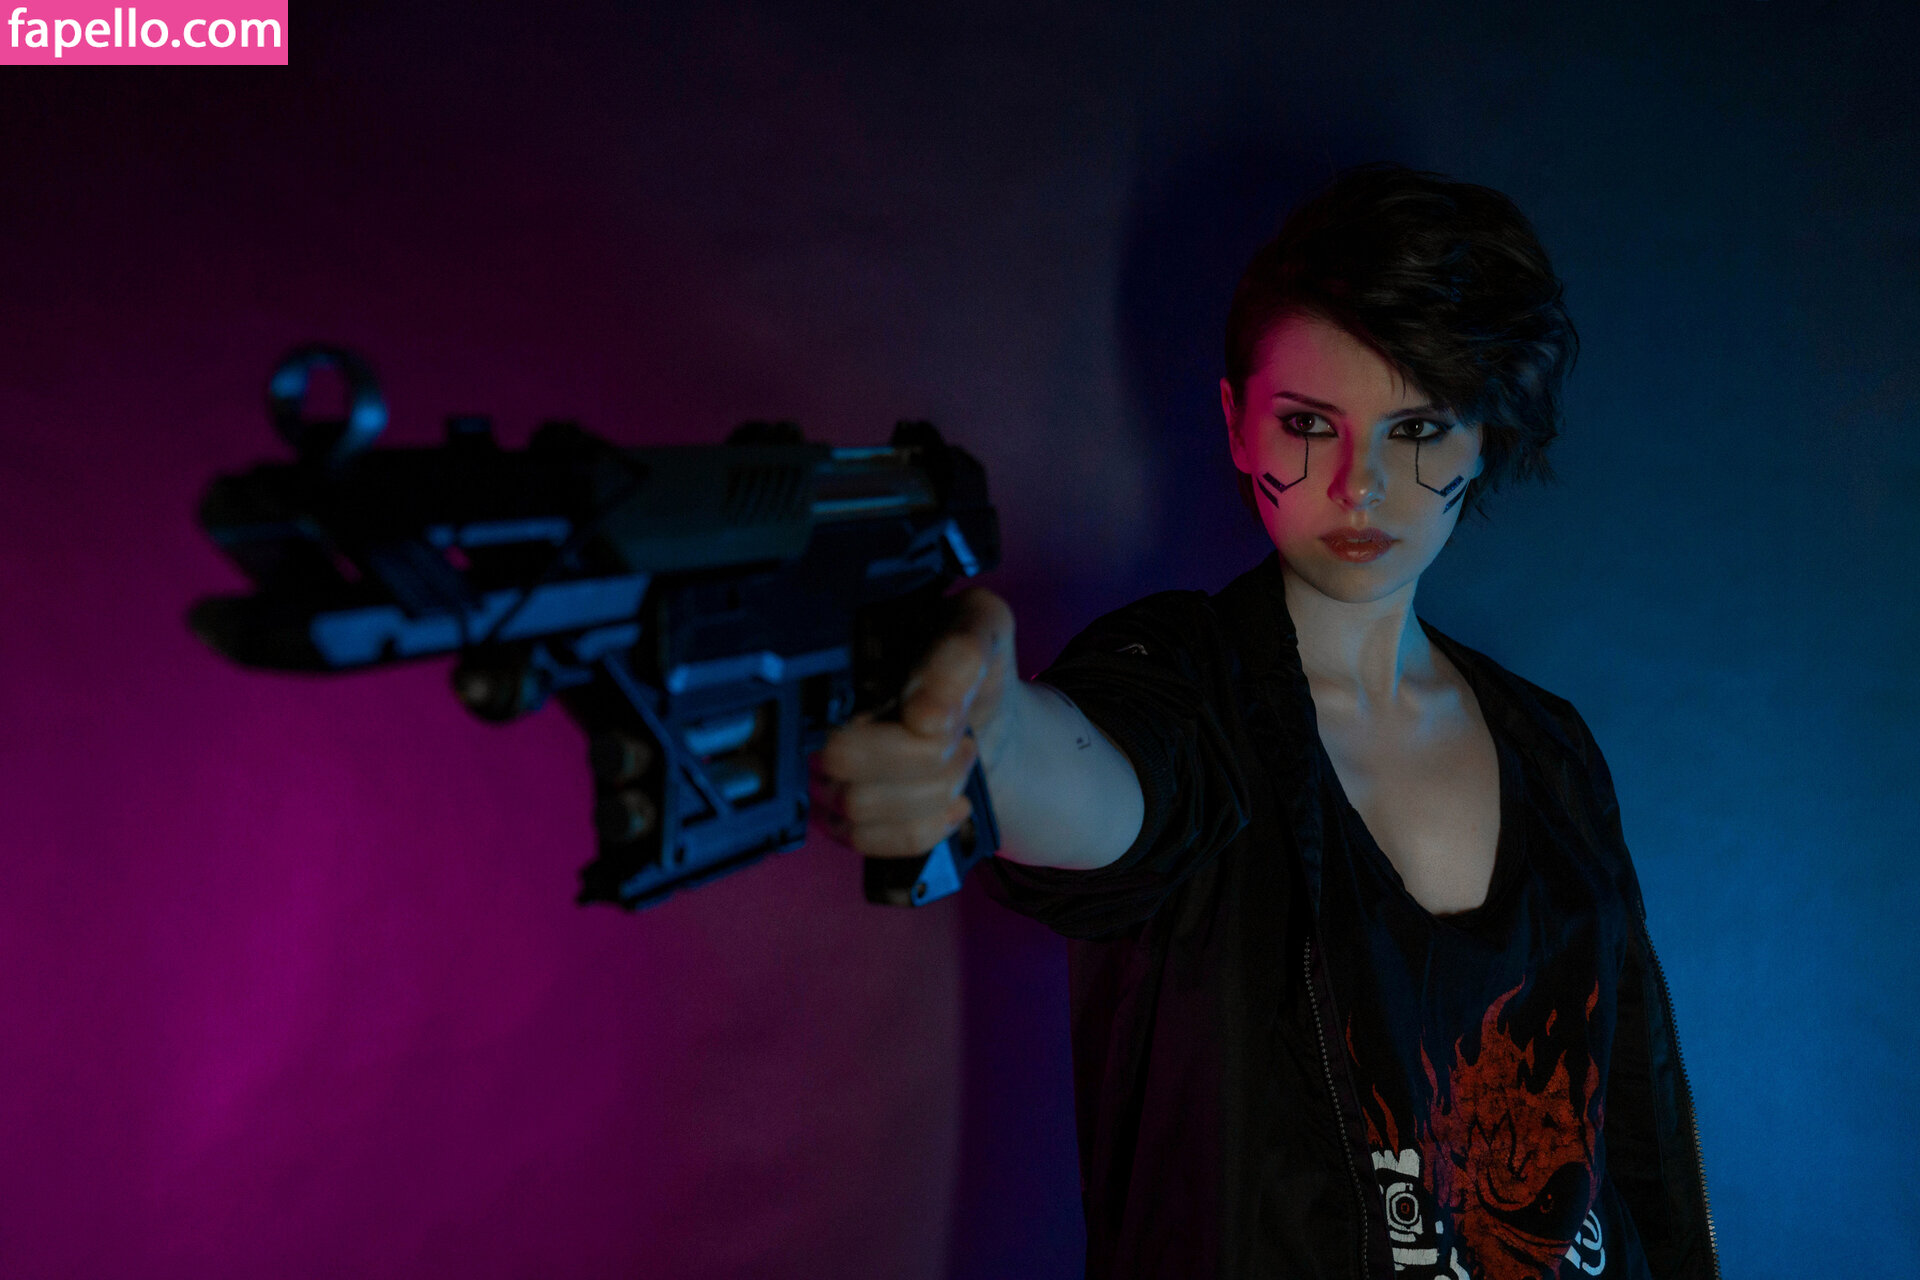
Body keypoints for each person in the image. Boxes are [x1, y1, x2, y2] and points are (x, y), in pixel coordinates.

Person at [812, 162, 1719, 1280]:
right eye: (1307, 423)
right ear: (1236, 424)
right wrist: (988, 749)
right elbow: (1112, 782)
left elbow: (1632, 1130)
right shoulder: (1188, 686)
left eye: (1418, 427)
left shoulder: (1553, 747)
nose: (1360, 484)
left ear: (1484, 438)